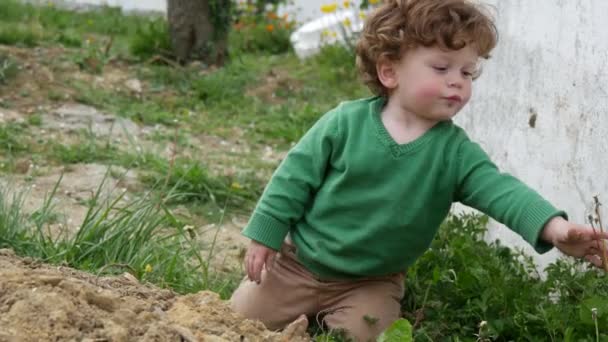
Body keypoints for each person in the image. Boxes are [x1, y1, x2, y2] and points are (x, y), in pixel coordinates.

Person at [230, 0, 608, 340]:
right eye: (442, 67)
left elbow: (503, 193)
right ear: (389, 72)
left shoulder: (455, 153)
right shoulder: (343, 124)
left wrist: (556, 229)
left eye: (467, 72)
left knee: (367, 335)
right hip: (297, 265)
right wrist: (266, 235)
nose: (457, 81)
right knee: (237, 321)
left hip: (370, 282)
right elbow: (293, 179)